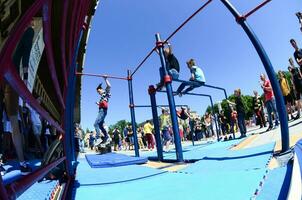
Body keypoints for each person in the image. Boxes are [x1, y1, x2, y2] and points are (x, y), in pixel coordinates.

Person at [3, 20, 35, 174]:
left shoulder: (10, 33)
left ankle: (16, 161)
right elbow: (26, 57)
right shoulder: (28, 31)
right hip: (10, 78)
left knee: (13, 123)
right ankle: (22, 164)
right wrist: (26, 81)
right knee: (14, 122)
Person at [94, 76, 111, 146]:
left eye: (98, 91)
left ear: (101, 89)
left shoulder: (105, 92)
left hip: (103, 111)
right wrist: (98, 104)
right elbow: (103, 102)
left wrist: (105, 79)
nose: (98, 93)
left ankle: (98, 138)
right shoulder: (102, 97)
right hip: (102, 110)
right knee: (100, 125)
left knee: (96, 124)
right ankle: (106, 137)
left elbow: (109, 86)